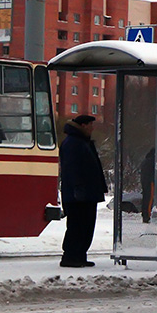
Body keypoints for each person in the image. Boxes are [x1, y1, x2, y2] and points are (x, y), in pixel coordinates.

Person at [59, 114, 108, 268]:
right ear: (83, 125)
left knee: (86, 226)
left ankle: (79, 256)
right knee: (77, 226)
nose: (93, 128)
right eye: (90, 125)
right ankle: (70, 257)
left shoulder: (82, 142)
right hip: (78, 195)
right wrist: (78, 189)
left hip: (86, 193)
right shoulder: (73, 143)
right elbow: (72, 169)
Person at [138, 147, 155, 223]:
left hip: (145, 181)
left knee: (146, 198)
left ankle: (145, 214)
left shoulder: (146, 161)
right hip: (150, 182)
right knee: (149, 199)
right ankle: (147, 215)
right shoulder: (152, 161)